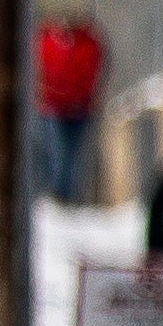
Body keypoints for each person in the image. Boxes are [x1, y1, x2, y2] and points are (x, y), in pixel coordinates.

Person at [32, 14, 106, 208]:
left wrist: (85, 97)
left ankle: (68, 198)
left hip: (81, 109)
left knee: (73, 156)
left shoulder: (88, 42)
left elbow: (94, 71)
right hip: (53, 108)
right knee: (57, 153)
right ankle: (57, 197)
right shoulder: (46, 39)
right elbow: (40, 69)